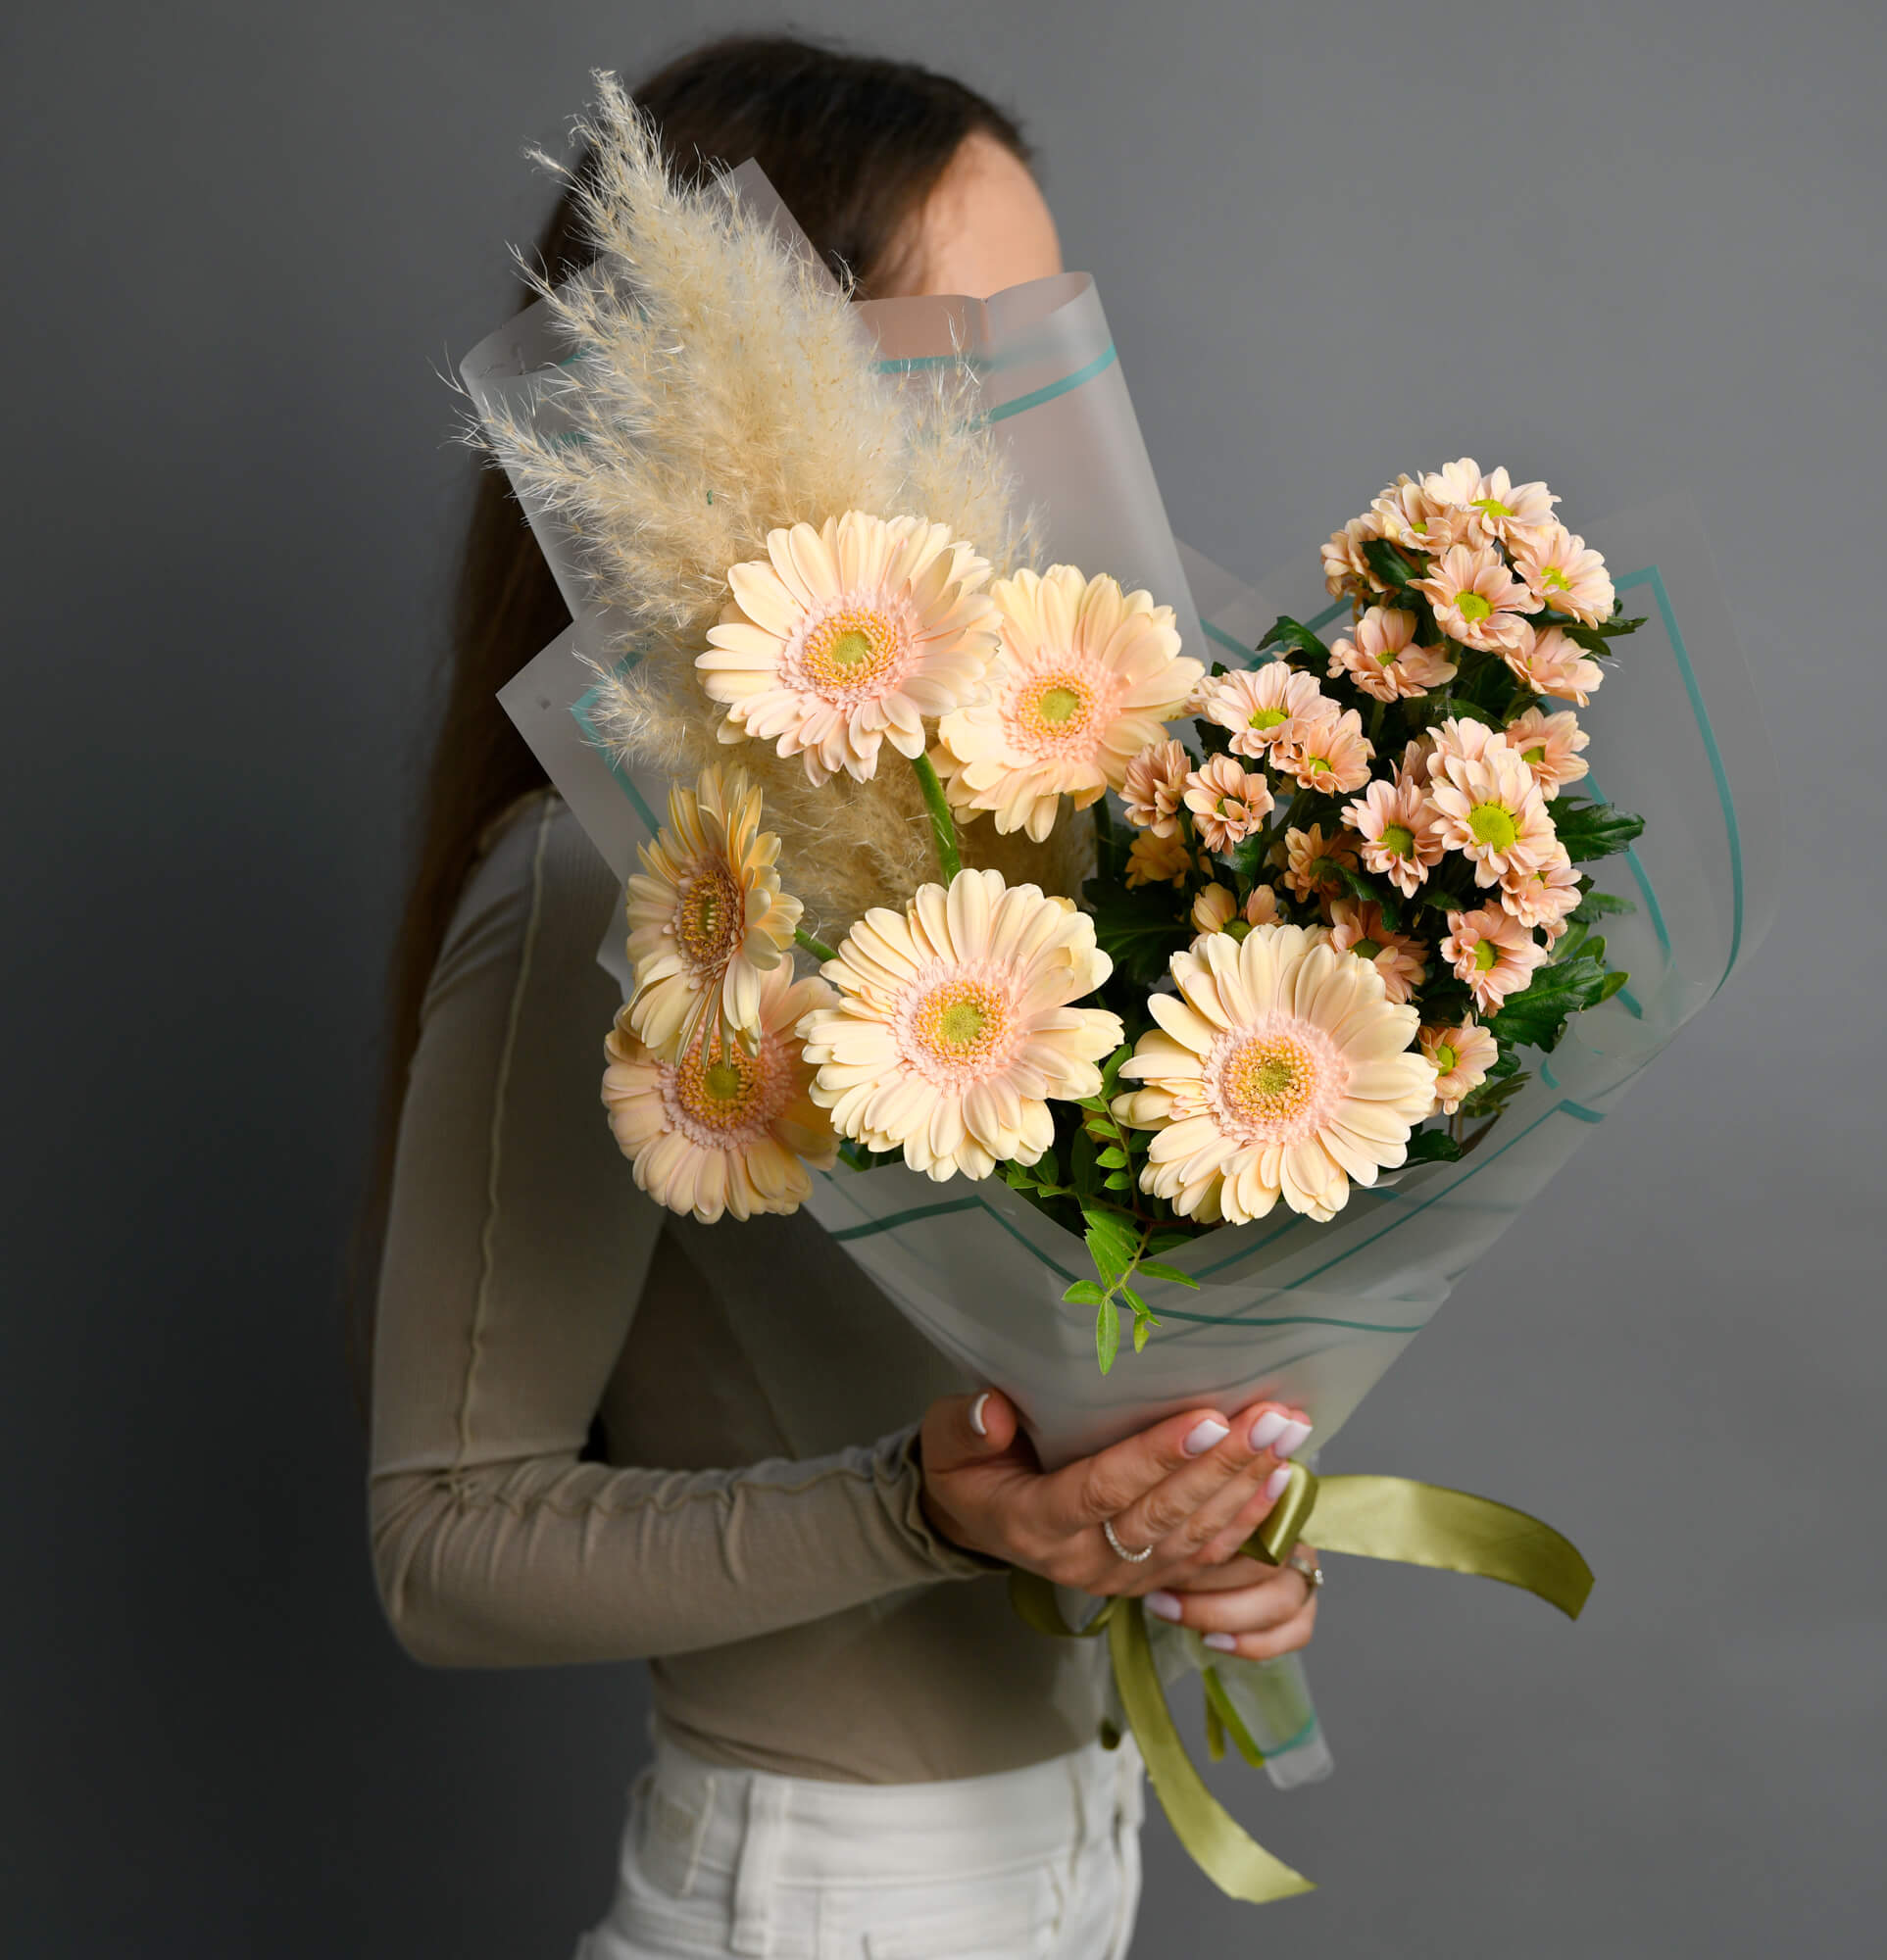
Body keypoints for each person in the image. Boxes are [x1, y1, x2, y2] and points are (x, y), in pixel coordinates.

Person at [362, 34, 1321, 1959]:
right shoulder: (605, 880)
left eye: (1056, 327)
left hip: (1084, 1850)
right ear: (745, 397)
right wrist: (923, 1513)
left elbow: (1046, 1386)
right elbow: (441, 1547)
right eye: (964, 344)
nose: (1035, 408)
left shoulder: (1034, 834)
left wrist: (1199, 1521)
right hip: (820, 1898)